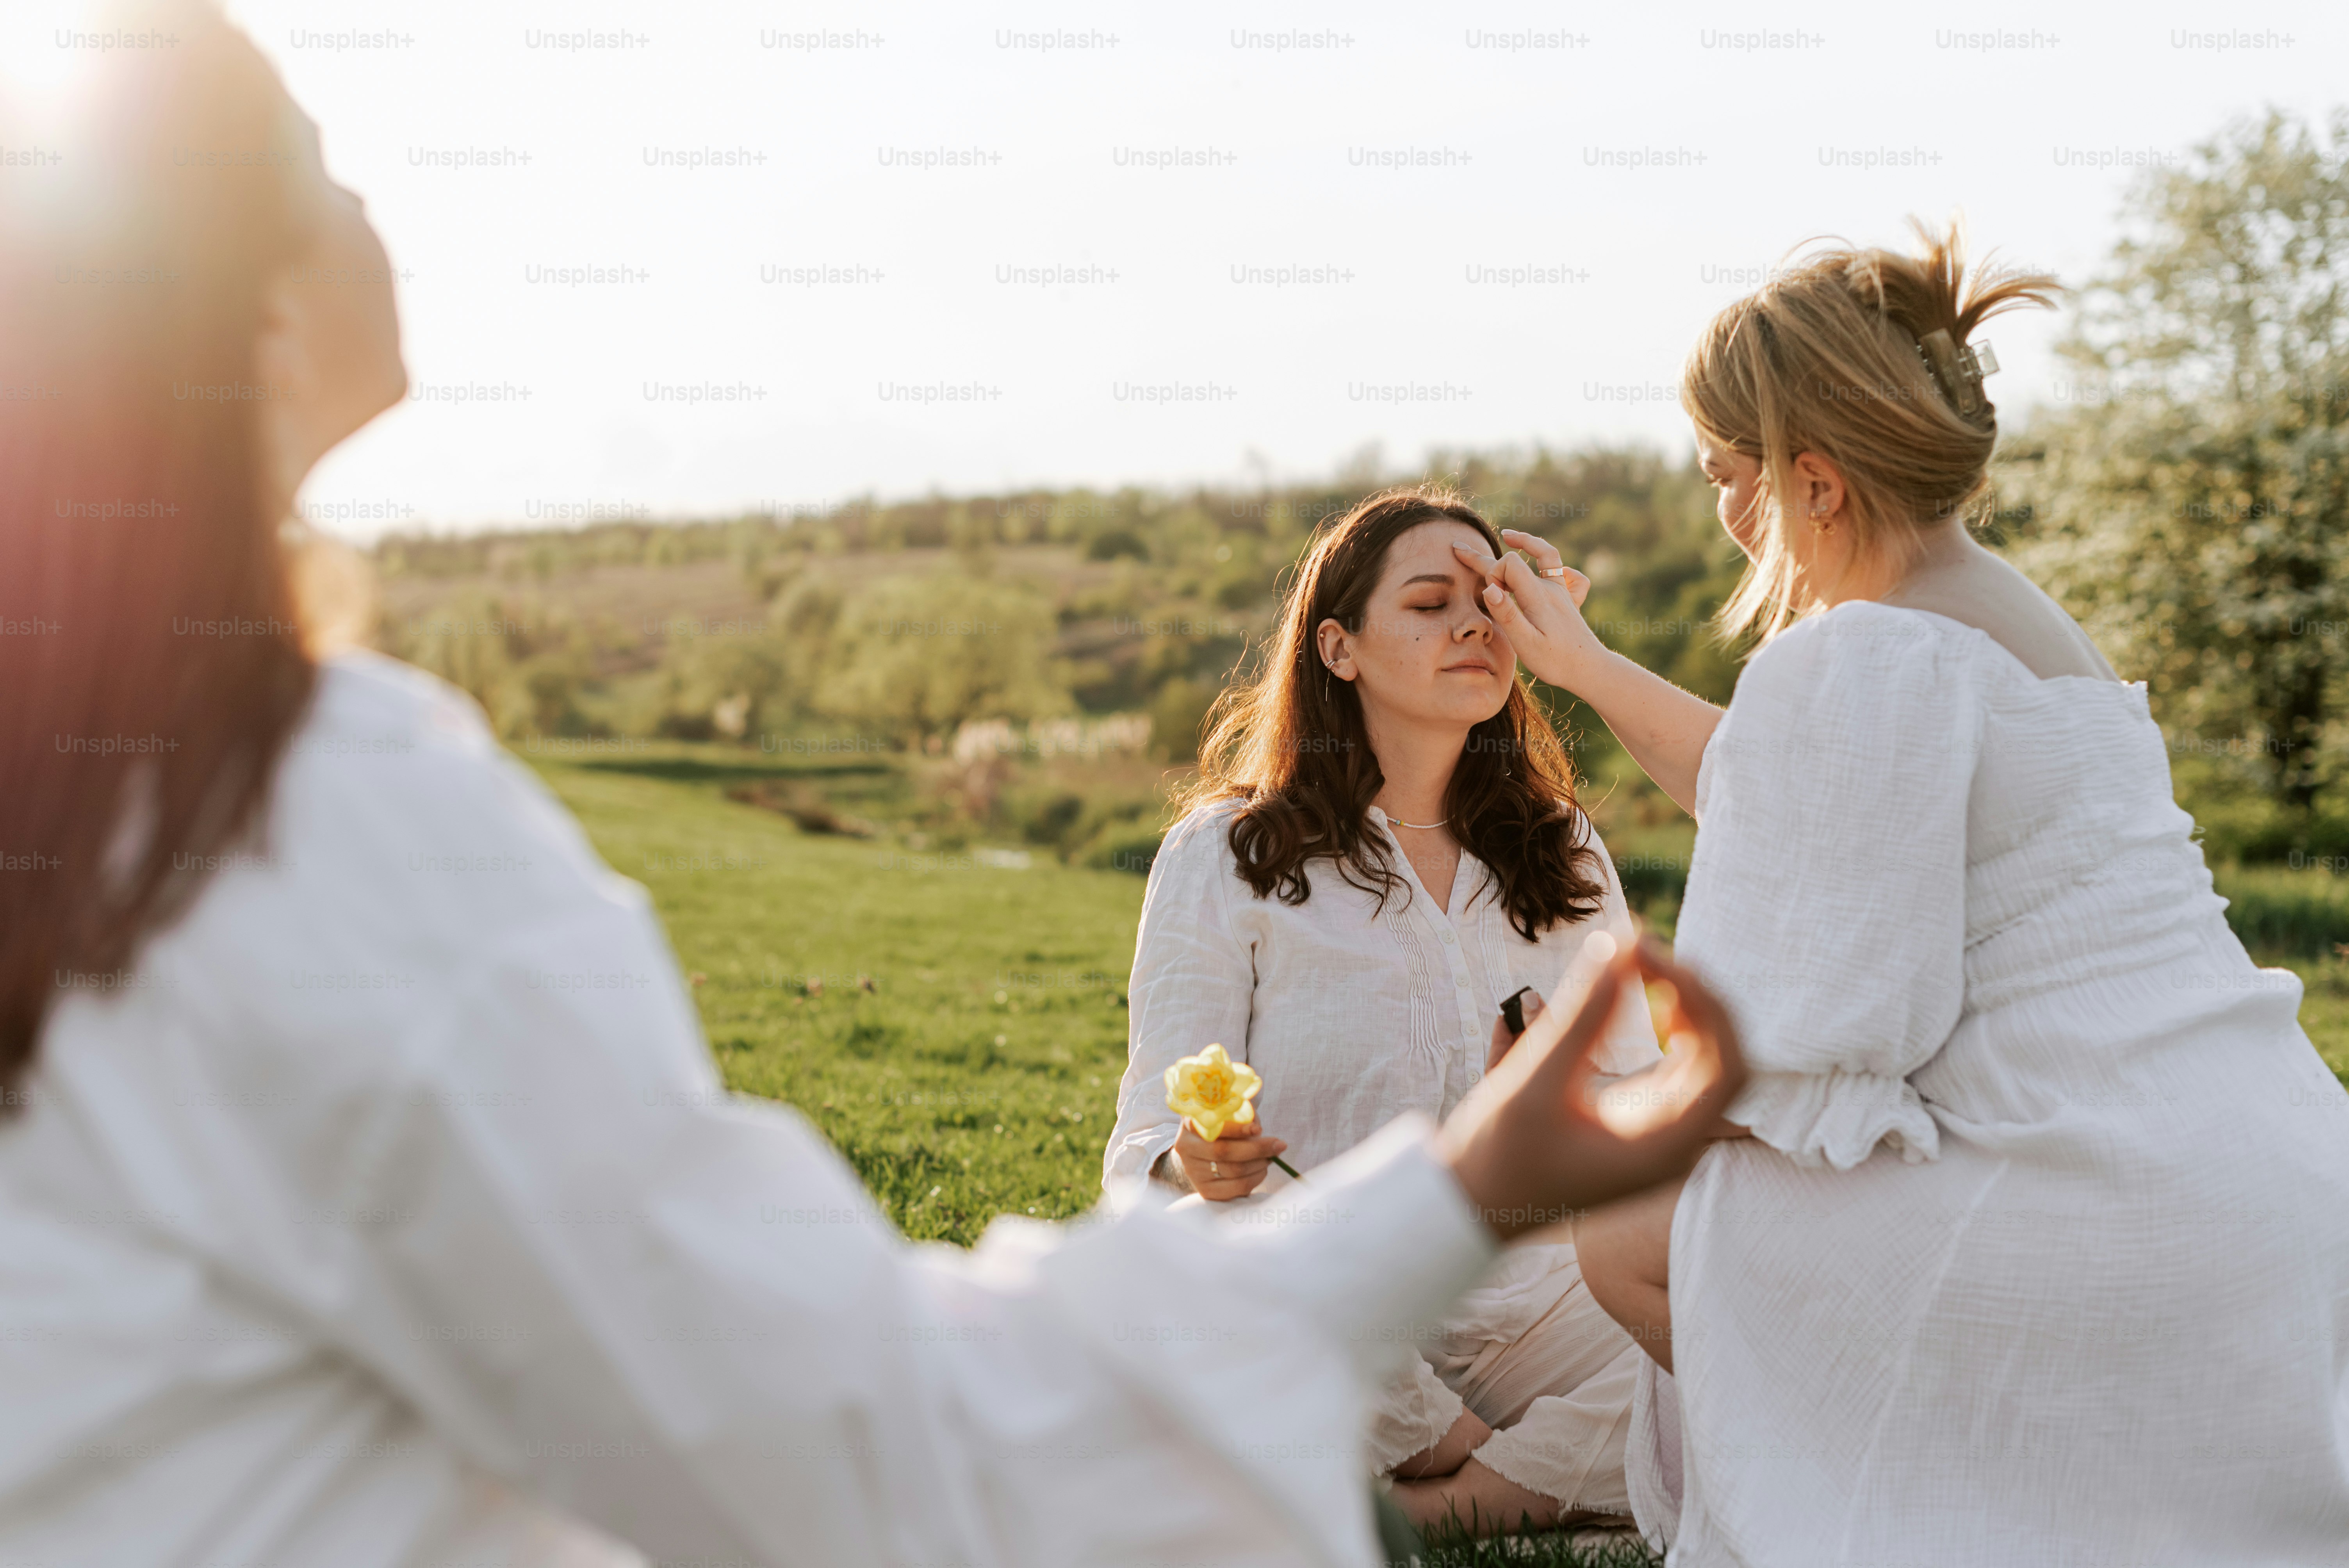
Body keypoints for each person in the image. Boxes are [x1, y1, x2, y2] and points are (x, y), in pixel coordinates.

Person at [0, 9, 1747, 1568]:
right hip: (1307, 1279)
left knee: (1686, 1327)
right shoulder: (325, 812)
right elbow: (853, 1433)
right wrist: (1442, 1193)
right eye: (321, 165)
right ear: (245, 290)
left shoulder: (132, 786)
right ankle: (1435, 1468)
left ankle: (1471, 1471)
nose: (371, 204)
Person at [1461, 224, 2349, 1562]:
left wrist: (1592, 1115)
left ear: (1813, 481)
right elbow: (1784, 785)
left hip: (2090, 1186)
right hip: (2272, 1169)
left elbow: (1819, 1042)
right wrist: (1583, 665)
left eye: (1727, 474)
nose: (1724, 510)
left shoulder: (1865, 656)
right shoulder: (2008, 616)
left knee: (1633, 1238)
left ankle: (1868, 1517)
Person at [1102, 488, 1672, 1535]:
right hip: (1338, 1287)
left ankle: (1446, 1505)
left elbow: (1637, 1111)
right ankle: (1491, 1465)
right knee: (1182, 1269)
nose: (1472, 626)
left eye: (1491, 602)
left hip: (1538, 1305)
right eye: (1428, 603)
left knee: (1729, 1318)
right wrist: (1196, 1159)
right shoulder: (1228, 854)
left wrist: (1565, 1102)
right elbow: (1149, 1136)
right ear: (1339, 648)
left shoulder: (1566, 849)